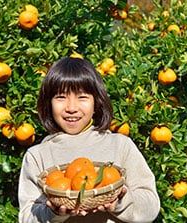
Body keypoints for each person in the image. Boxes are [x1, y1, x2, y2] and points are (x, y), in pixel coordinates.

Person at [18, 57, 160, 222]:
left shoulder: (120, 146)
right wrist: (54, 213)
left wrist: (120, 203)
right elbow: (27, 217)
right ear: (48, 103)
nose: (71, 108)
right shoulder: (37, 156)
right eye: (61, 97)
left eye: (82, 97)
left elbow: (150, 205)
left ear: (96, 103)